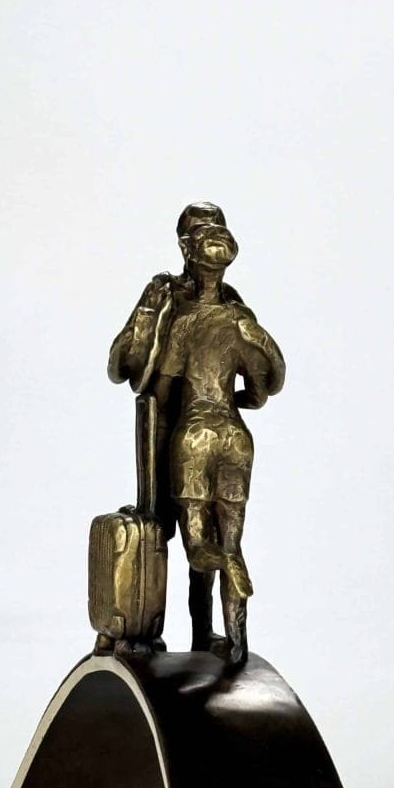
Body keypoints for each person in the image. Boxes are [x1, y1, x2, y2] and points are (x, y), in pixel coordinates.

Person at [108, 202, 248, 653]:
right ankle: (175, 633)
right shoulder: (173, 295)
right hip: (195, 429)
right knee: (176, 532)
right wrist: (148, 315)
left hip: (185, 430)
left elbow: (144, 380)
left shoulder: (220, 304)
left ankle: (193, 635)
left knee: (189, 537)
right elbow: (120, 366)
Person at [151, 218, 285, 664]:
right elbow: (263, 391)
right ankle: (234, 643)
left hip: (194, 437)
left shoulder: (184, 321)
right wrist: (234, 398)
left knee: (198, 549)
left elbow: (162, 392)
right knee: (232, 540)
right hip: (235, 436)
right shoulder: (242, 321)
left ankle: (225, 564)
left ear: (190, 256)